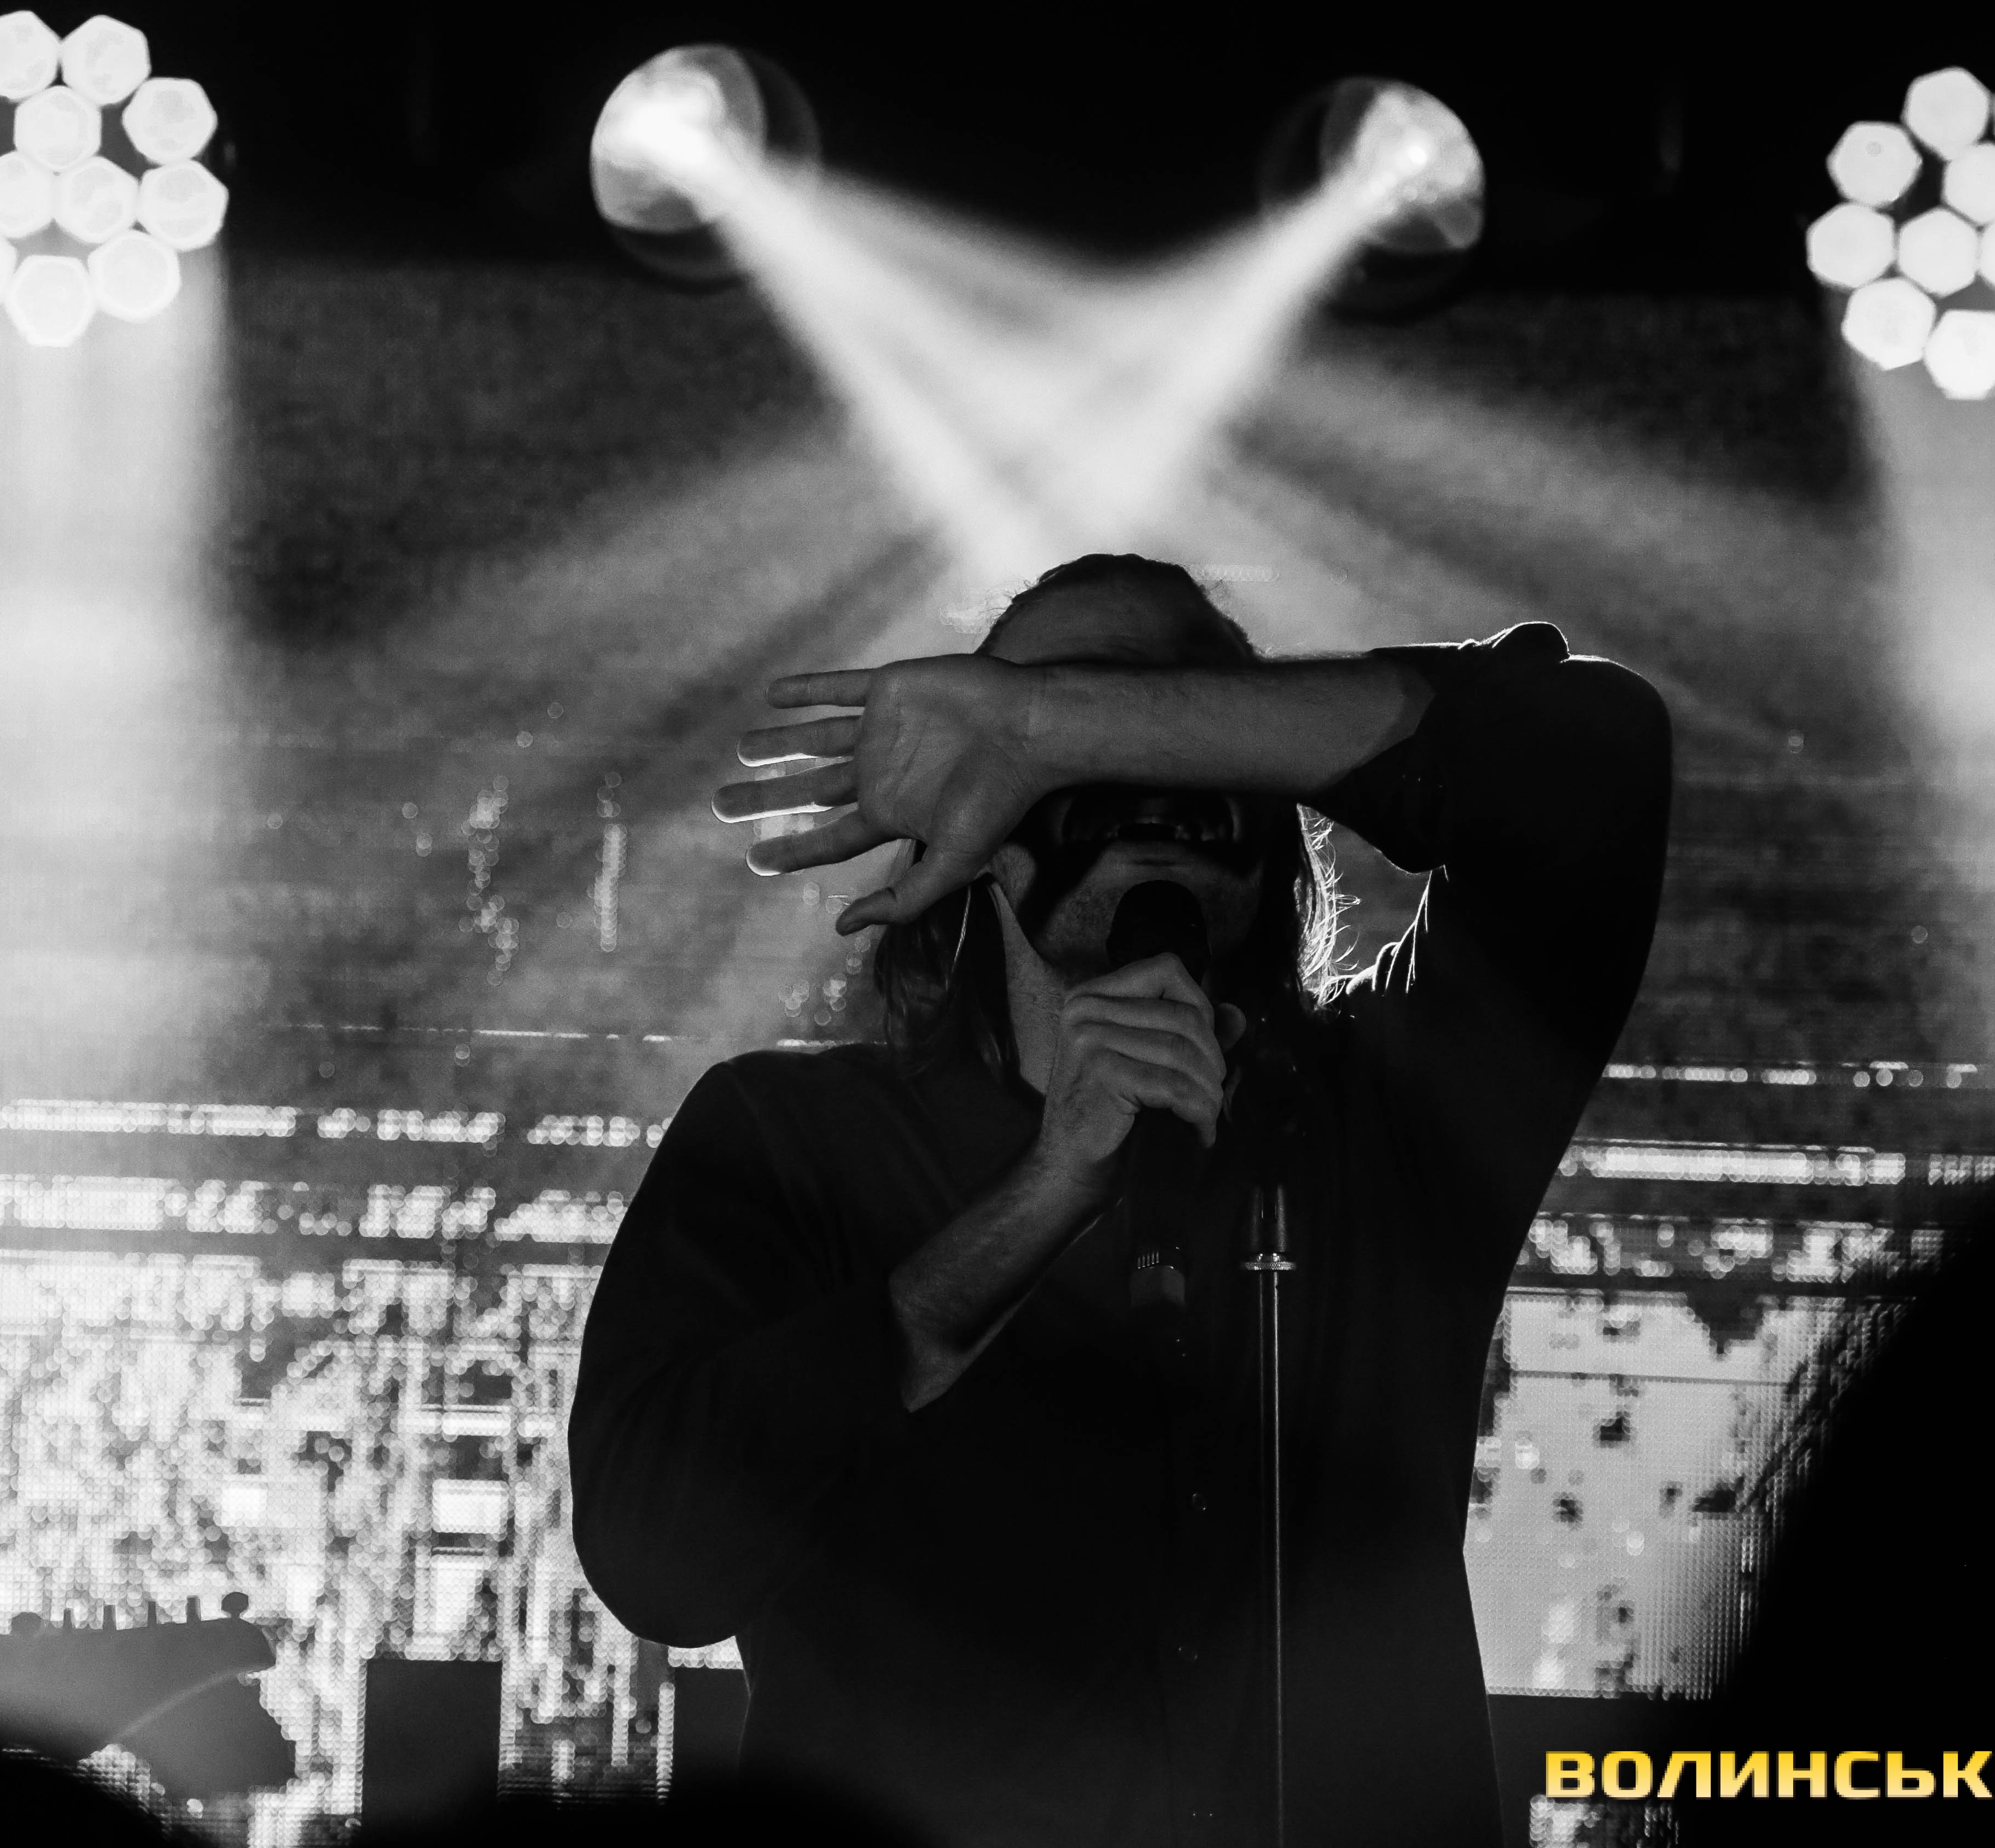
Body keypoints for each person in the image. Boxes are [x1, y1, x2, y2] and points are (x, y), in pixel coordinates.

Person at [568, 554, 1671, 1848]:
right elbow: (657, 1559)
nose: (1127, 774)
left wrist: (1051, 721)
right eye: (1046, 738)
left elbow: (1590, 758)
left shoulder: (1383, 1121)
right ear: (971, 834)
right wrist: (1041, 1197)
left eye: (1167, 716)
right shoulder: (788, 1135)